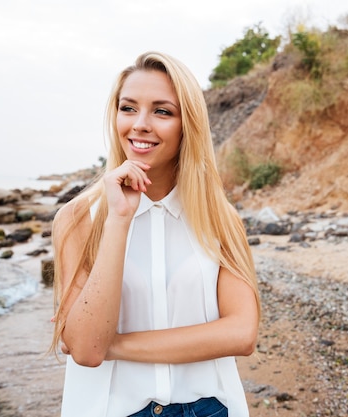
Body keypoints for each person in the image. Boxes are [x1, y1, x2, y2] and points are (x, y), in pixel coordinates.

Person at [49, 51, 260, 417]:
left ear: (187, 125)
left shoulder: (220, 218)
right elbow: (84, 350)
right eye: (128, 108)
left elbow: (241, 334)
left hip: (210, 408)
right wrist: (118, 217)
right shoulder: (78, 218)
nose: (140, 124)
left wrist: (113, 345)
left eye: (162, 111)